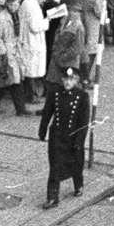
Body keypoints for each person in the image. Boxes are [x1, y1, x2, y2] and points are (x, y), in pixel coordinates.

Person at [37, 64, 91, 209]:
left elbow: (84, 122)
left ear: (76, 81)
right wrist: (42, 130)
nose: (68, 82)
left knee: (76, 163)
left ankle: (78, 184)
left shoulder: (82, 96)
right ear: (62, 79)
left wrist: (79, 141)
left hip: (73, 136)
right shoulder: (55, 93)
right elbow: (47, 113)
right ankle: (52, 197)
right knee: (54, 166)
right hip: (57, 135)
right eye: (66, 79)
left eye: (71, 79)